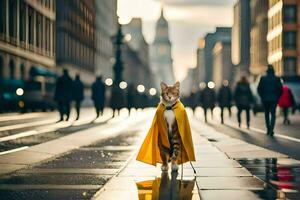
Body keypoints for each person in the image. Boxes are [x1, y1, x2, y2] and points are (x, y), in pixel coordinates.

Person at [257, 65, 282, 136]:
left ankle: (268, 129)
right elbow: (280, 89)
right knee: (273, 114)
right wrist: (277, 97)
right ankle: (271, 129)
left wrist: (262, 96)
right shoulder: (277, 78)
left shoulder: (263, 78)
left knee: (266, 114)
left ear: (267, 71)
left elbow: (259, 89)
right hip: (274, 99)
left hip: (265, 99)